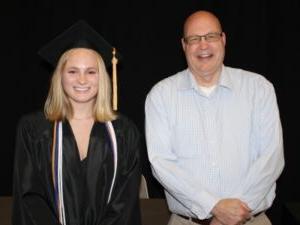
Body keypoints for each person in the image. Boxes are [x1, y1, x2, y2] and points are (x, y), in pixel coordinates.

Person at [145, 10, 284, 225]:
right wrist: (214, 206)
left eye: (211, 36)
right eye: (194, 39)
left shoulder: (258, 89)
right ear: (184, 45)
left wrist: (235, 212)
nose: (203, 45)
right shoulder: (161, 96)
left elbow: (271, 157)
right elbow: (161, 163)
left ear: (223, 39)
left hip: (251, 221)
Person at [12, 20, 141, 225]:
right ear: (60, 76)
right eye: (72, 71)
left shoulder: (124, 132)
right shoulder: (34, 130)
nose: (82, 80)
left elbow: (125, 204)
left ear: (102, 77)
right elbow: (30, 199)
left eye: (91, 71)